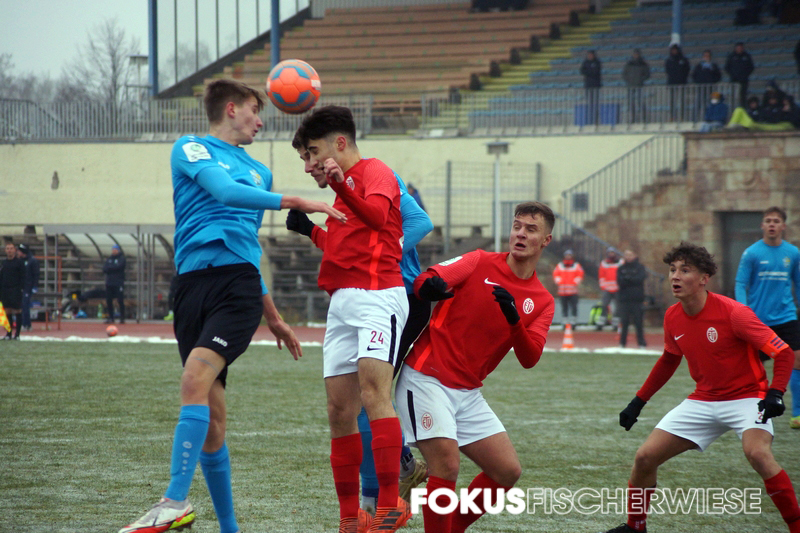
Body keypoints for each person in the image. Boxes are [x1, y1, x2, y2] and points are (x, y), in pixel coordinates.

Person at [119, 79, 344, 533]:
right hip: (190, 288)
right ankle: (230, 528)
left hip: (236, 288)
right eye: (255, 111)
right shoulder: (190, 149)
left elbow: (246, 247)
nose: (260, 122)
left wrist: (271, 315)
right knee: (214, 421)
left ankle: (174, 500)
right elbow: (222, 191)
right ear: (231, 108)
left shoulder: (260, 172)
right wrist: (294, 200)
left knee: (193, 378)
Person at [600, 242, 800, 533]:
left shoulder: (734, 313)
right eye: (672, 270)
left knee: (758, 455)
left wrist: (776, 393)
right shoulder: (672, 316)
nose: (675, 276)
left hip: (748, 398)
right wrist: (638, 401)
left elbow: (783, 352)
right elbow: (669, 360)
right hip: (703, 400)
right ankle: (635, 527)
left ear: (704, 278)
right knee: (644, 458)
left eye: (685, 270)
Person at [286, 131, 432, 524]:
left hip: (395, 292)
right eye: (303, 158)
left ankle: (380, 501)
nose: (308, 165)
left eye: (311, 154)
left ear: (336, 144)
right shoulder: (342, 192)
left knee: (371, 398)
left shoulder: (378, 175)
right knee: (344, 408)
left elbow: (420, 221)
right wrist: (311, 231)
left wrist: (383, 252)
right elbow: (346, 248)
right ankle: (365, 507)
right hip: (356, 297)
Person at [395, 201, 555, 533]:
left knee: (506, 471)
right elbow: (427, 279)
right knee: (446, 466)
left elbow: (530, 358)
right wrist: (429, 287)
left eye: (531, 229)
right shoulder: (478, 261)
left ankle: (451, 527)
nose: (520, 234)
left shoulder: (542, 301)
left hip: (467, 392)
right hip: (425, 378)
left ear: (546, 240)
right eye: (517, 226)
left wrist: (515, 321)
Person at [735, 207, 800, 430]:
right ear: (762, 225)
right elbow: (741, 283)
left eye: (776, 221)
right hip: (759, 320)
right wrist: (743, 310)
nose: (772, 224)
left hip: (787, 317)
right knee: (755, 368)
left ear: (783, 226)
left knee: (797, 360)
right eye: (768, 220)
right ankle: (758, 410)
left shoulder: (793, 253)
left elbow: (798, 283)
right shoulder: (751, 253)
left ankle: (797, 414)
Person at [617, 249, 647, 348]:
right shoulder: (621, 268)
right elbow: (620, 282)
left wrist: (628, 278)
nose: (628, 257)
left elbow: (639, 279)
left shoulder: (640, 267)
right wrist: (630, 279)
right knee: (624, 322)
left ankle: (641, 343)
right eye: (626, 255)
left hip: (637, 299)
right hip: (624, 299)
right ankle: (622, 343)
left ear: (635, 255)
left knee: (638, 322)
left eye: (630, 255)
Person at [552, 249, 583, 326]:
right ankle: (564, 321)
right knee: (564, 307)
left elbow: (580, 274)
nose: (568, 256)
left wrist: (575, 282)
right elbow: (555, 274)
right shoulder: (560, 265)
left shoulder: (576, 266)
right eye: (567, 255)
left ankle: (573, 321)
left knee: (574, 307)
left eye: (569, 255)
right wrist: (559, 281)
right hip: (562, 291)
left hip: (573, 291)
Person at [0, 241, 24, 340]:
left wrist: (21, 288)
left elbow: (23, 276)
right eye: (7, 248)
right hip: (5, 290)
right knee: (7, 312)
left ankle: (17, 334)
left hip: (16, 290)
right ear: (5, 250)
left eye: (11, 248)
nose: (9, 250)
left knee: (17, 311)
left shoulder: (19, 262)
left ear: (14, 250)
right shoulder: (4, 263)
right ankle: (8, 334)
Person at [691, 50, 722, 120]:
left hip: (711, 89)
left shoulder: (713, 66)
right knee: (698, 103)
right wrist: (699, 82)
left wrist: (713, 81)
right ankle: (694, 119)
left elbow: (718, 76)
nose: (706, 57)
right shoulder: (699, 66)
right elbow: (694, 76)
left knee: (710, 104)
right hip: (701, 88)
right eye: (705, 56)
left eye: (708, 56)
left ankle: (709, 118)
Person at [622, 49, 650, 123]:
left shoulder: (643, 64)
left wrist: (641, 79)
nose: (636, 55)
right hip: (631, 86)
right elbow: (624, 74)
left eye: (637, 54)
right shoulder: (629, 64)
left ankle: (644, 119)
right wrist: (629, 80)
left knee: (641, 102)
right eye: (635, 54)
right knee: (631, 103)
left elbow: (647, 74)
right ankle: (633, 118)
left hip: (639, 85)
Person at [598, 247, 623, 329]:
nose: (611, 254)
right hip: (607, 289)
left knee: (618, 307)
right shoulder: (604, 263)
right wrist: (603, 286)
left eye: (612, 252)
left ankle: (615, 323)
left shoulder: (620, 263)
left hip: (617, 289)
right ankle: (601, 322)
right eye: (609, 253)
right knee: (604, 305)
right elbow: (601, 276)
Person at [724, 42, 755, 108]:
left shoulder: (746, 56)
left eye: (741, 48)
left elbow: (751, 67)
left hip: (744, 80)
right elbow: (727, 67)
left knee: (743, 96)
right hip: (734, 80)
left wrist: (745, 74)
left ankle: (743, 109)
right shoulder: (731, 56)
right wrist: (733, 74)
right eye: (738, 48)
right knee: (733, 95)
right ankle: (733, 109)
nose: (739, 49)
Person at [664, 44, 690, 120]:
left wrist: (682, 78)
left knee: (682, 100)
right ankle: (672, 116)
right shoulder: (669, 60)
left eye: (675, 50)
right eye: (673, 50)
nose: (674, 51)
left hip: (682, 83)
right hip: (672, 83)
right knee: (672, 101)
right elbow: (667, 71)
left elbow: (687, 70)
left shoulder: (683, 60)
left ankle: (682, 117)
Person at [17, 243, 39, 331]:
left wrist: (35, 286)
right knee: (21, 305)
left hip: (28, 287)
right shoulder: (20, 261)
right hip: (20, 287)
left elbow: (36, 274)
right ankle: (21, 323)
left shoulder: (32, 261)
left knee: (25, 305)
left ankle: (26, 324)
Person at [103, 244, 126, 324]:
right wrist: (112, 268)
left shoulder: (121, 258)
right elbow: (105, 269)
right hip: (109, 283)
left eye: (115, 249)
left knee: (120, 300)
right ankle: (111, 317)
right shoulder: (109, 259)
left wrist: (111, 268)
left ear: (118, 250)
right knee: (109, 300)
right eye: (113, 249)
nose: (114, 251)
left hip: (118, 283)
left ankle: (122, 317)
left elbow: (119, 267)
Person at [580, 50, 602, 125]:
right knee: (589, 103)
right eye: (589, 55)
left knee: (595, 103)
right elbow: (582, 71)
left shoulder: (597, 62)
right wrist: (590, 71)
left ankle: (596, 120)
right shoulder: (585, 62)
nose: (590, 56)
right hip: (588, 85)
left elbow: (595, 72)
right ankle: (590, 120)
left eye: (591, 55)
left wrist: (588, 71)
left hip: (595, 85)